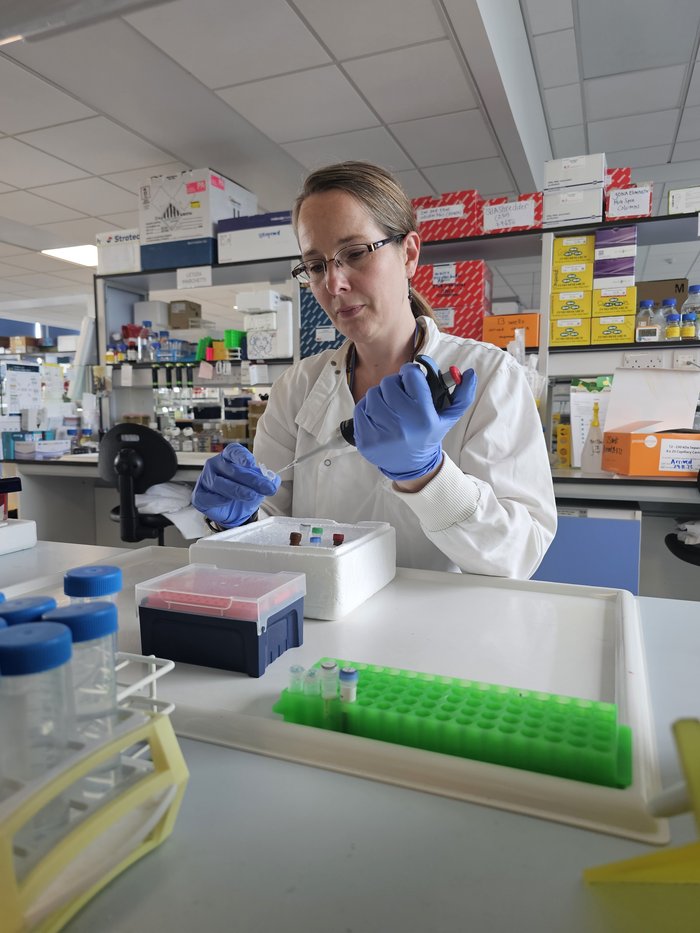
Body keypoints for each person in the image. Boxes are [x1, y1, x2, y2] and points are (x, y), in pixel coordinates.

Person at [193, 161, 557, 578]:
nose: (333, 284)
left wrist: (428, 477)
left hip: (448, 630)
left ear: (409, 254)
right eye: (315, 266)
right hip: (322, 625)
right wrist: (234, 521)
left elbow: (520, 554)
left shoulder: (490, 375)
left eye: (354, 254)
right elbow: (271, 529)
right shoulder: (296, 387)